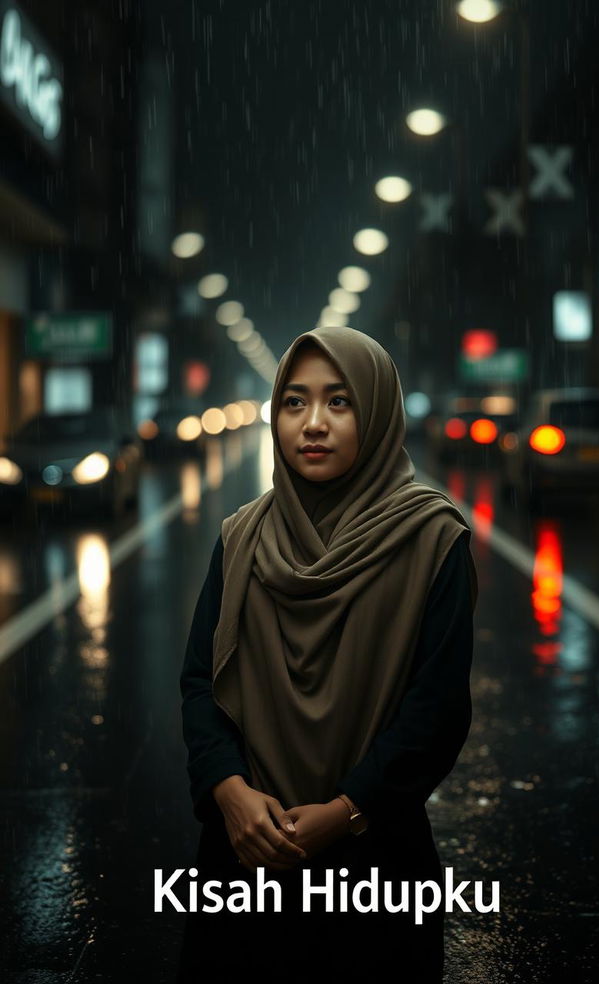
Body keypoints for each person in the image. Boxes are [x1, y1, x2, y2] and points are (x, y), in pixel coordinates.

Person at [177, 325, 477, 982]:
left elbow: (437, 710)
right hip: (243, 857)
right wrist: (231, 793)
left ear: (375, 413)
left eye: (339, 402)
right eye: (295, 402)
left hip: (378, 863)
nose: (313, 424)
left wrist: (347, 811)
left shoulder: (432, 541)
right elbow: (201, 682)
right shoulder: (241, 539)